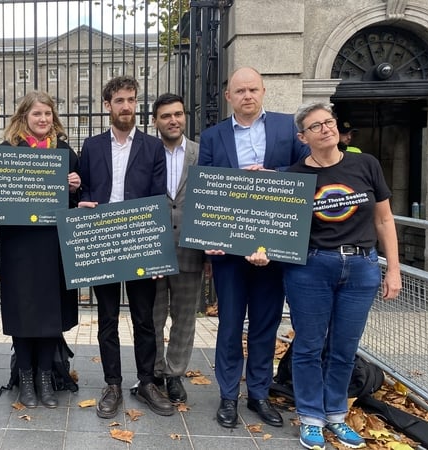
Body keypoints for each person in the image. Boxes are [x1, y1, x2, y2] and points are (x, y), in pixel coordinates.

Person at [198, 67, 309, 428]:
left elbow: (305, 173)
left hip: (273, 244)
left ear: (263, 91)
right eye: (239, 91)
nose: (247, 95)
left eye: (252, 89)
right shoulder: (213, 137)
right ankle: (228, 396)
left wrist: (276, 177)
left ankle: (259, 394)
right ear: (228, 97)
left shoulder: (286, 128)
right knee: (229, 324)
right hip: (230, 249)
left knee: (265, 323)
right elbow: (206, 189)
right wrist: (208, 241)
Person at [285, 102, 400, 450]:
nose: (326, 128)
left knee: (344, 348)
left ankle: (336, 413)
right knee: (308, 345)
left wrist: (392, 269)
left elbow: (384, 220)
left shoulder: (365, 165)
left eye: (329, 122)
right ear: (302, 136)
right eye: (316, 126)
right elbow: (282, 229)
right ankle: (310, 417)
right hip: (311, 268)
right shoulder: (295, 176)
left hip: (361, 267)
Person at [79, 75, 173, 419]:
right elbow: (85, 189)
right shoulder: (91, 146)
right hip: (103, 240)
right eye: (119, 100)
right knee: (106, 319)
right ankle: (113, 384)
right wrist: (85, 200)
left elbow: (159, 198)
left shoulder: (152, 147)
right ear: (108, 105)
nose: (126, 106)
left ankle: (147, 382)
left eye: (132, 100)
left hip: (139, 240)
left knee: (144, 318)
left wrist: (158, 248)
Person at [0, 91, 81, 409]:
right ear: (24, 117)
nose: (43, 119)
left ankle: (46, 376)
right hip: (20, 245)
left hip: (54, 245)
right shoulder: (8, 151)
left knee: (50, 312)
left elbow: (76, 202)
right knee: (23, 310)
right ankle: (26, 378)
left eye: (48, 113)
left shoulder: (65, 152)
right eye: (36, 114)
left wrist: (75, 187)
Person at [150, 93, 207, 403]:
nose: (173, 120)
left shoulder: (202, 153)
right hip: (154, 248)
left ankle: (175, 374)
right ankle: (155, 372)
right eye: (165, 116)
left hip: (190, 248)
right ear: (156, 121)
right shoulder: (145, 152)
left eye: (178, 114)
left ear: (185, 117)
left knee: (184, 317)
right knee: (154, 316)